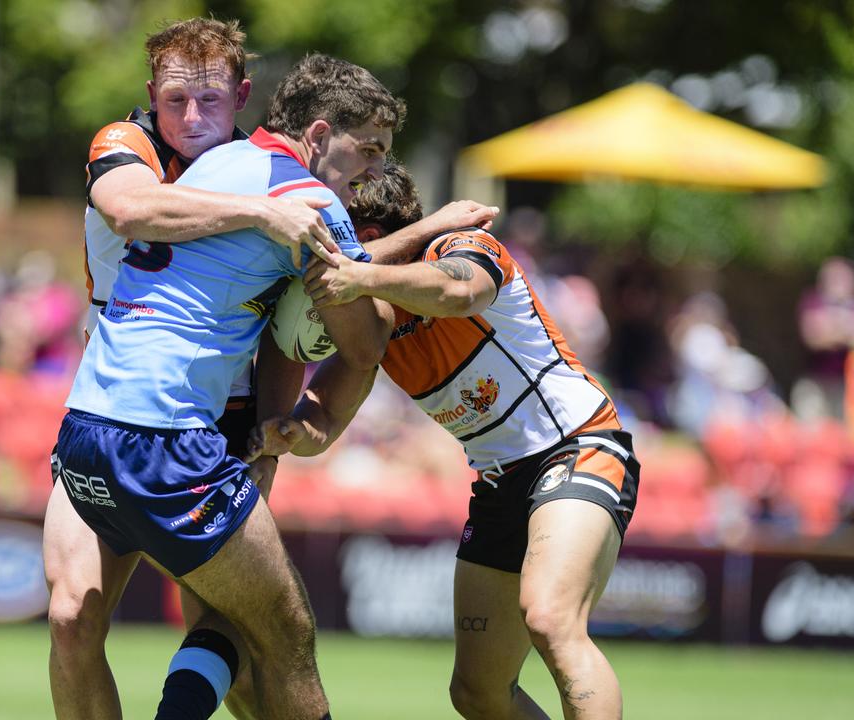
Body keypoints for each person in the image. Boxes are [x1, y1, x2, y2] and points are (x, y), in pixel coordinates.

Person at [53, 49, 409, 720]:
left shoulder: (212, 166)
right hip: (165, 440)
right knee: (285, 632)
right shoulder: (309, 200)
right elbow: (364, 344)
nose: (375, 171)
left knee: (204, 621)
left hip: (84, 424)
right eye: (370, 150)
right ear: (321, 136)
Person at [250, 162, 640, 720]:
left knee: (552, 619)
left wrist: (359, 276)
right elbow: (326, 419)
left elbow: (458, 293)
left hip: (578, 444)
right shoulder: (377, 321)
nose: (324, 261)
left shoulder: (462, 245)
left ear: (371, 239)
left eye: (336, 243)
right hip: (501, 481)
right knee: (478, 692)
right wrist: (289, 431)